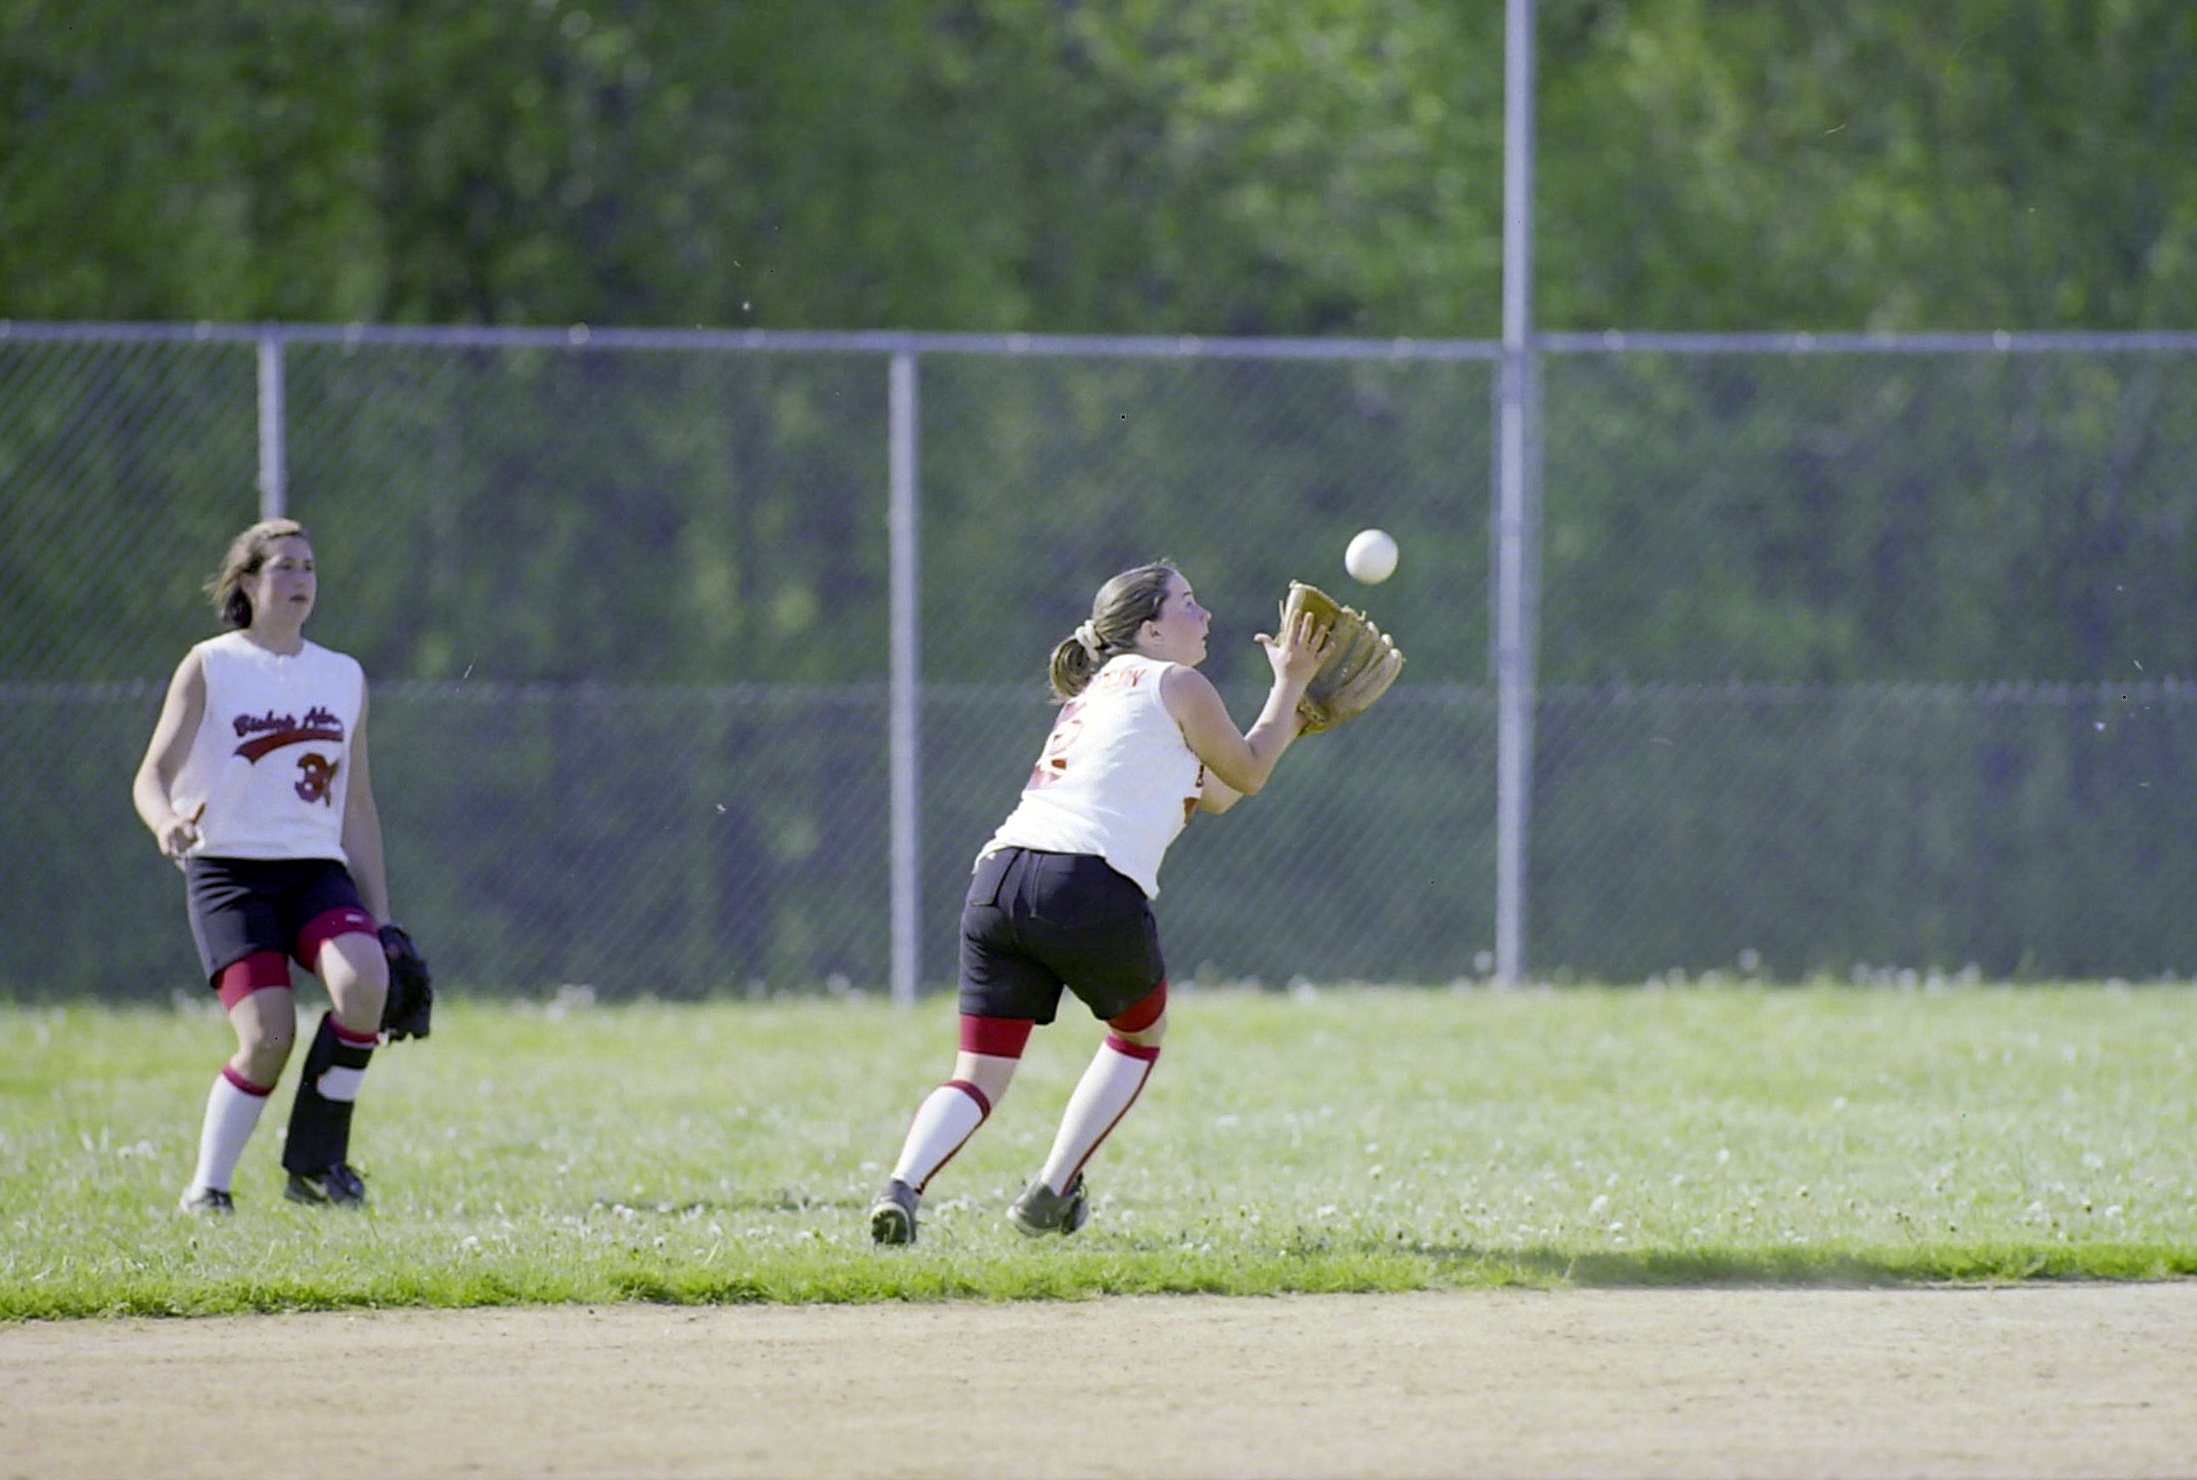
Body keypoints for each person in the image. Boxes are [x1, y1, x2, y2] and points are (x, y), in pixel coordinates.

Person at [867, 560, 1330, 1244]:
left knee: (979, 1074)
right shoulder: (1178, 684)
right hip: (1085, 883)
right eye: (1186, 603)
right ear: (1150, 629)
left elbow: (1221, 790)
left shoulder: (1098, 695)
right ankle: (1051, 1192)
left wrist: (1290, 717)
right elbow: (1249, 773)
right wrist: (1289, 682)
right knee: (1139, 1035)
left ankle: (900, 1188)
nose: (1203, 615)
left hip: (998, 880)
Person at [132, 518, 396, 1214]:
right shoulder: (211, 664)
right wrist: (166, 822)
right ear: (246, 582)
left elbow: (356, 804)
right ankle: (208, 1188)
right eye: (284, 566)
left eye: (309, 567)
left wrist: (381, 917)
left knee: (367, 982)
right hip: (229, 873)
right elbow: (151, 775)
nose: (301, 579)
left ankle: (315, 1164)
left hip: (313, 868)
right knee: (267, 1036)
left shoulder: (342, 675)